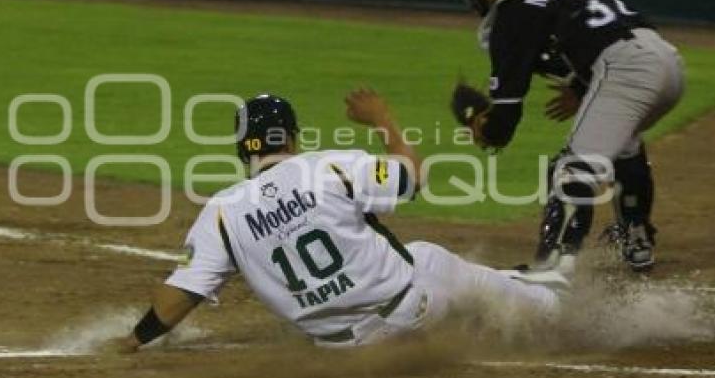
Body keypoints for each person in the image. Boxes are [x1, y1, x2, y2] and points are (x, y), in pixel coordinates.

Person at [110, 91, 567, 351]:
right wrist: (383, 119)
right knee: (432, 260)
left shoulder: (221, 214)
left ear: (241, 147)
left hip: (343, 350)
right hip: (411, 311)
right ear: (290, 137)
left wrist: (134, 340)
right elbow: (414, 177)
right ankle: (561, 313)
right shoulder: (327, 167)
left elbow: (178, 299)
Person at [452, 0, 685, 272]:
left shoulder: (511, 12)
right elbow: (606, 28)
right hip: (668, 62)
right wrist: (581, 87)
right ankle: (636, 240)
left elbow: (504, 122)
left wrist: (482, 126)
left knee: (571, 173)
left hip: (626, 70)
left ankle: (550, 275)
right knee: (622, 145)